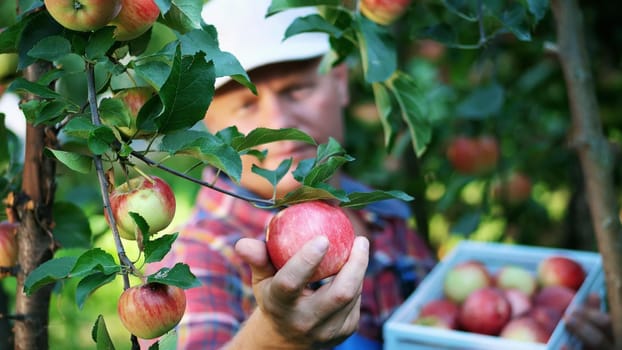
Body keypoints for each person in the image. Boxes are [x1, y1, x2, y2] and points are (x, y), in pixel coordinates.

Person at [144, 0, 613, 349]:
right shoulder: (198, 255)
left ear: (342, 84)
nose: (278, 120)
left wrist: (550, 326)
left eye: (299, 88)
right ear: (209, 122)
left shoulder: (382, 211)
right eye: (246, 103)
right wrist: (274, 335)